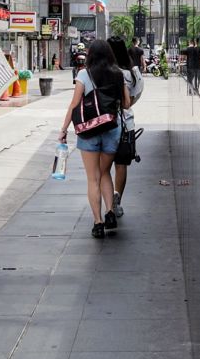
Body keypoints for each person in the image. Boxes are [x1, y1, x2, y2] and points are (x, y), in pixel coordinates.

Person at [60, 40, 131, 238]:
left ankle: (98, 222)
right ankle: (110, 213)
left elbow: (74, 104)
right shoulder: (118, 74)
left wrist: (64, 129)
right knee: (105, 172)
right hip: (111, 129)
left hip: (89, 130)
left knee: (93, 178)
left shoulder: (84, 73)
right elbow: (126, 104)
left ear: (91, 55)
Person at [107, 37, 145, 217]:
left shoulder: (99, 72)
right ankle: (117, 199)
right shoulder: (130, 74)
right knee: (121, 164)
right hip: (125, 123)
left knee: (103, 166)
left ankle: (107, 203)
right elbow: (135, 97)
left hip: (104, 123)